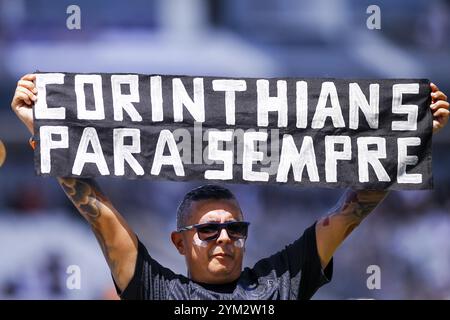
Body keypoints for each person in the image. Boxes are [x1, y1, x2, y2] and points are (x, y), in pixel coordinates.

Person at [11, 74, 449, 300]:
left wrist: (410, 137)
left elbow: (349, 212)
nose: (224, 237)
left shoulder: (280, 283)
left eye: (235, 228)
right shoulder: (156, 290)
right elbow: (101, 214)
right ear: (178, 242)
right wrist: (48, 133)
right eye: (208, 230)